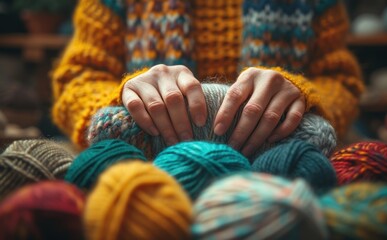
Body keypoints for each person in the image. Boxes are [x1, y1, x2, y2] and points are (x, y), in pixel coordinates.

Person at [51, 0, 364, 157]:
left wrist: (302, 94)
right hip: (150, 178)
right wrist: (125, 98)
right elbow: (78, 77)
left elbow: (339, 80)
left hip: (280, 177)